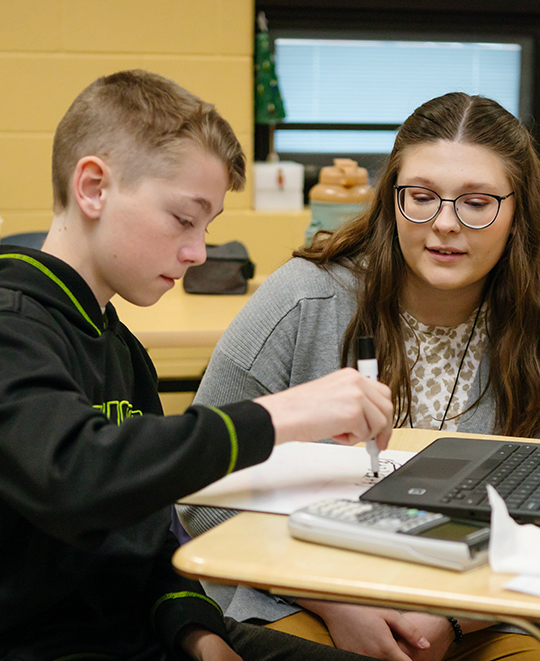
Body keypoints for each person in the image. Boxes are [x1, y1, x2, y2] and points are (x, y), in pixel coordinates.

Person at [0, 69, 402, 660]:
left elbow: (151, 531)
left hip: (144, 634)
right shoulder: (13, 323)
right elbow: (76, 477)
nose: (196, 252)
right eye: (184, 219)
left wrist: (198, 632)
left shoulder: (119, 347)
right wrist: (282, 413)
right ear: (92, 187)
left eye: (207, 227)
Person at [178, 92, 540, 661]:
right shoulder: (304, 298)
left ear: (519, 208)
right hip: (302, 596)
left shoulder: (531, 319)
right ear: (390, 197)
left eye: (476, 203)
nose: (445, 225)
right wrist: (334, 600)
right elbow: (198, 487)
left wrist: (454, 614)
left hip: (489, 608)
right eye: (421, 197)